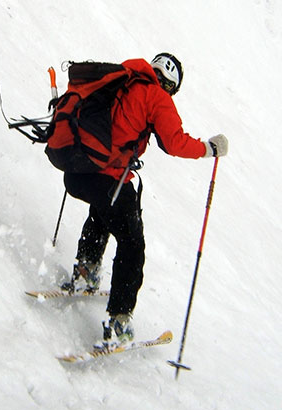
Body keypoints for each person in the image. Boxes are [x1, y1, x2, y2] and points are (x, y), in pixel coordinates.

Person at [61, 53, 228, 349]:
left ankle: (86, 270)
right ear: (171, 85)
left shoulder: (120, 78)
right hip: (108, 180)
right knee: (132, 244)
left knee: (103, 211)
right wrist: (209, 149)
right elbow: (174, 143)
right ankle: (119, 321)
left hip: (76, 171)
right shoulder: (156, 97)